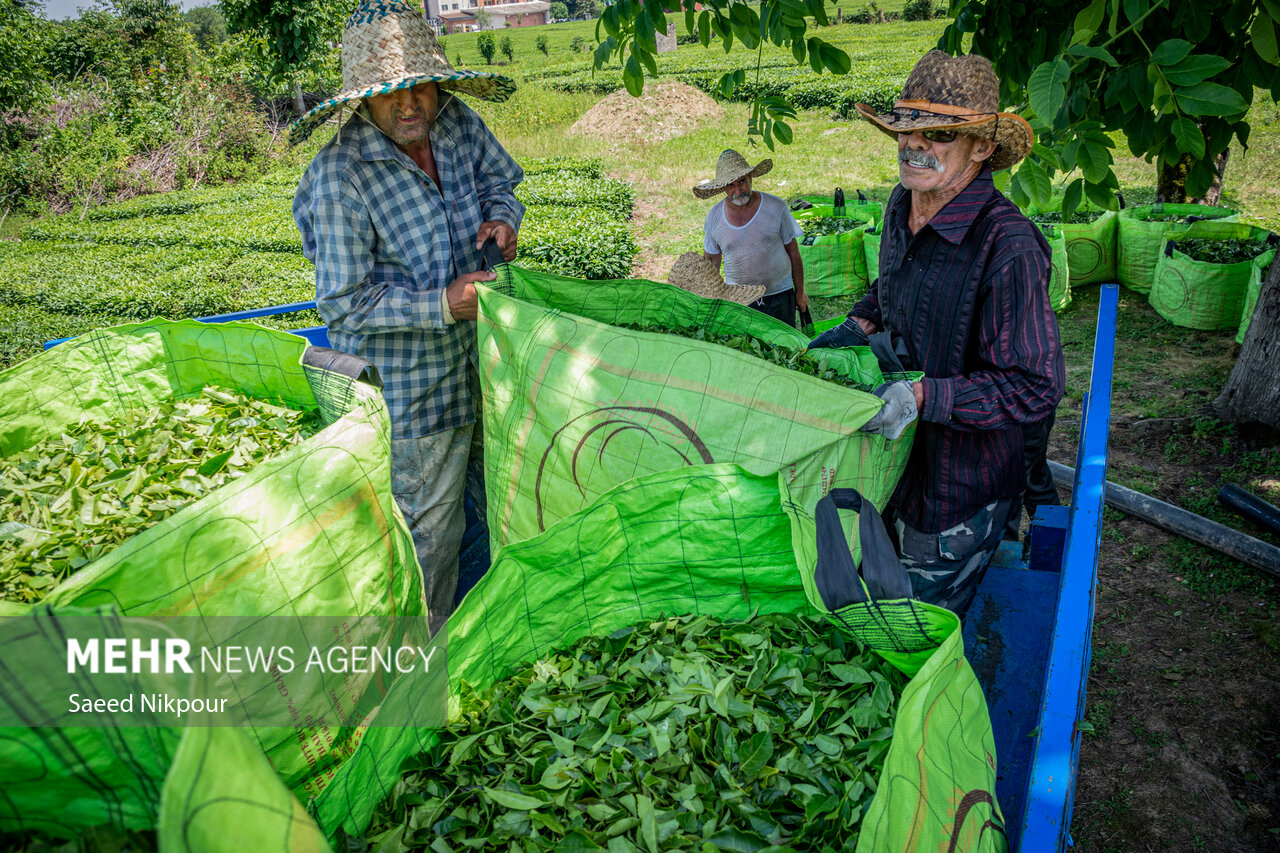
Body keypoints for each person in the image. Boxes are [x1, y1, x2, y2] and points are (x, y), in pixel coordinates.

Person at [291, 0, 523, 635]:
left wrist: (503, 220)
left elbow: (504, 182)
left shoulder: (457, 124)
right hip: (414, 401)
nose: (409, 105)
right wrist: (443, 304)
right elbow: (343, 304)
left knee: (502, 510)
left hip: (487, 372)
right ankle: (422, 685)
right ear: (363, 100)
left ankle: (491, 639)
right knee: (427, 550)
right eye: (390, 94)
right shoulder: (341, 177)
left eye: (418, 86)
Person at [812, 50, 1065, 618]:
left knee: (914, 620)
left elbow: (1035, 385)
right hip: (893, 461)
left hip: (957, 487)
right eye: (905, 129)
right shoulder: (904, 202)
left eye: (939, 134)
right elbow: (892, 288)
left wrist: (924, 396)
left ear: (981, 147)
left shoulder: (1008, 247)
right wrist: (859, 323)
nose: (913, 145)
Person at [694, 150, 809, 327]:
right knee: (748, 351)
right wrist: (708, 300)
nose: (738, 190)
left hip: (780, 294)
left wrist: (800, 293)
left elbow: (793, 251)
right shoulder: (714, 217)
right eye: (731, 185)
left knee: (785, 349)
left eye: (742, 181)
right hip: (739, 298)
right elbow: (711, 262)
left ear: (750, 178)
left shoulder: (775, 206)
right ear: (723, 188)